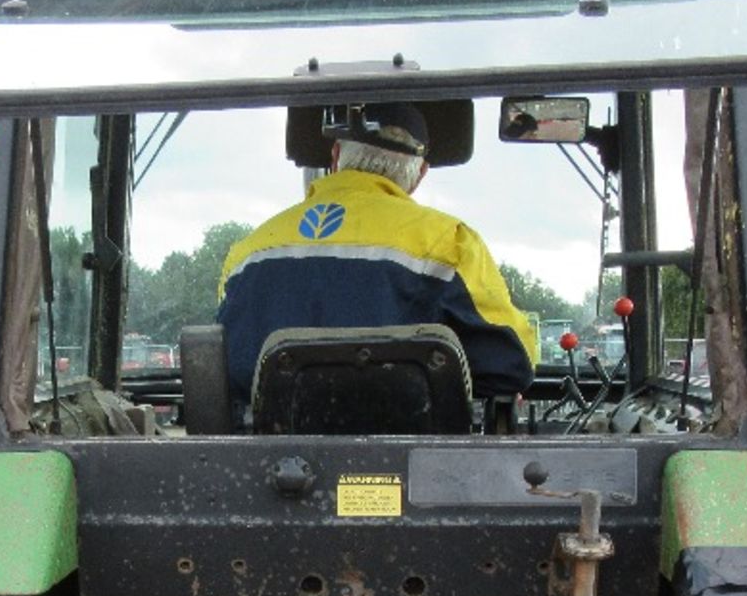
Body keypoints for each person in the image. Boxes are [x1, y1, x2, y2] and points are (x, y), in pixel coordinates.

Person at [216, 102, 535, 402]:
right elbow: (510, 365)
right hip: (403, 456)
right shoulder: (450, 242)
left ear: (336, 156)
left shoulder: (248, 252)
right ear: (420, 174)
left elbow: (222, 365)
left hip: (273, 456)